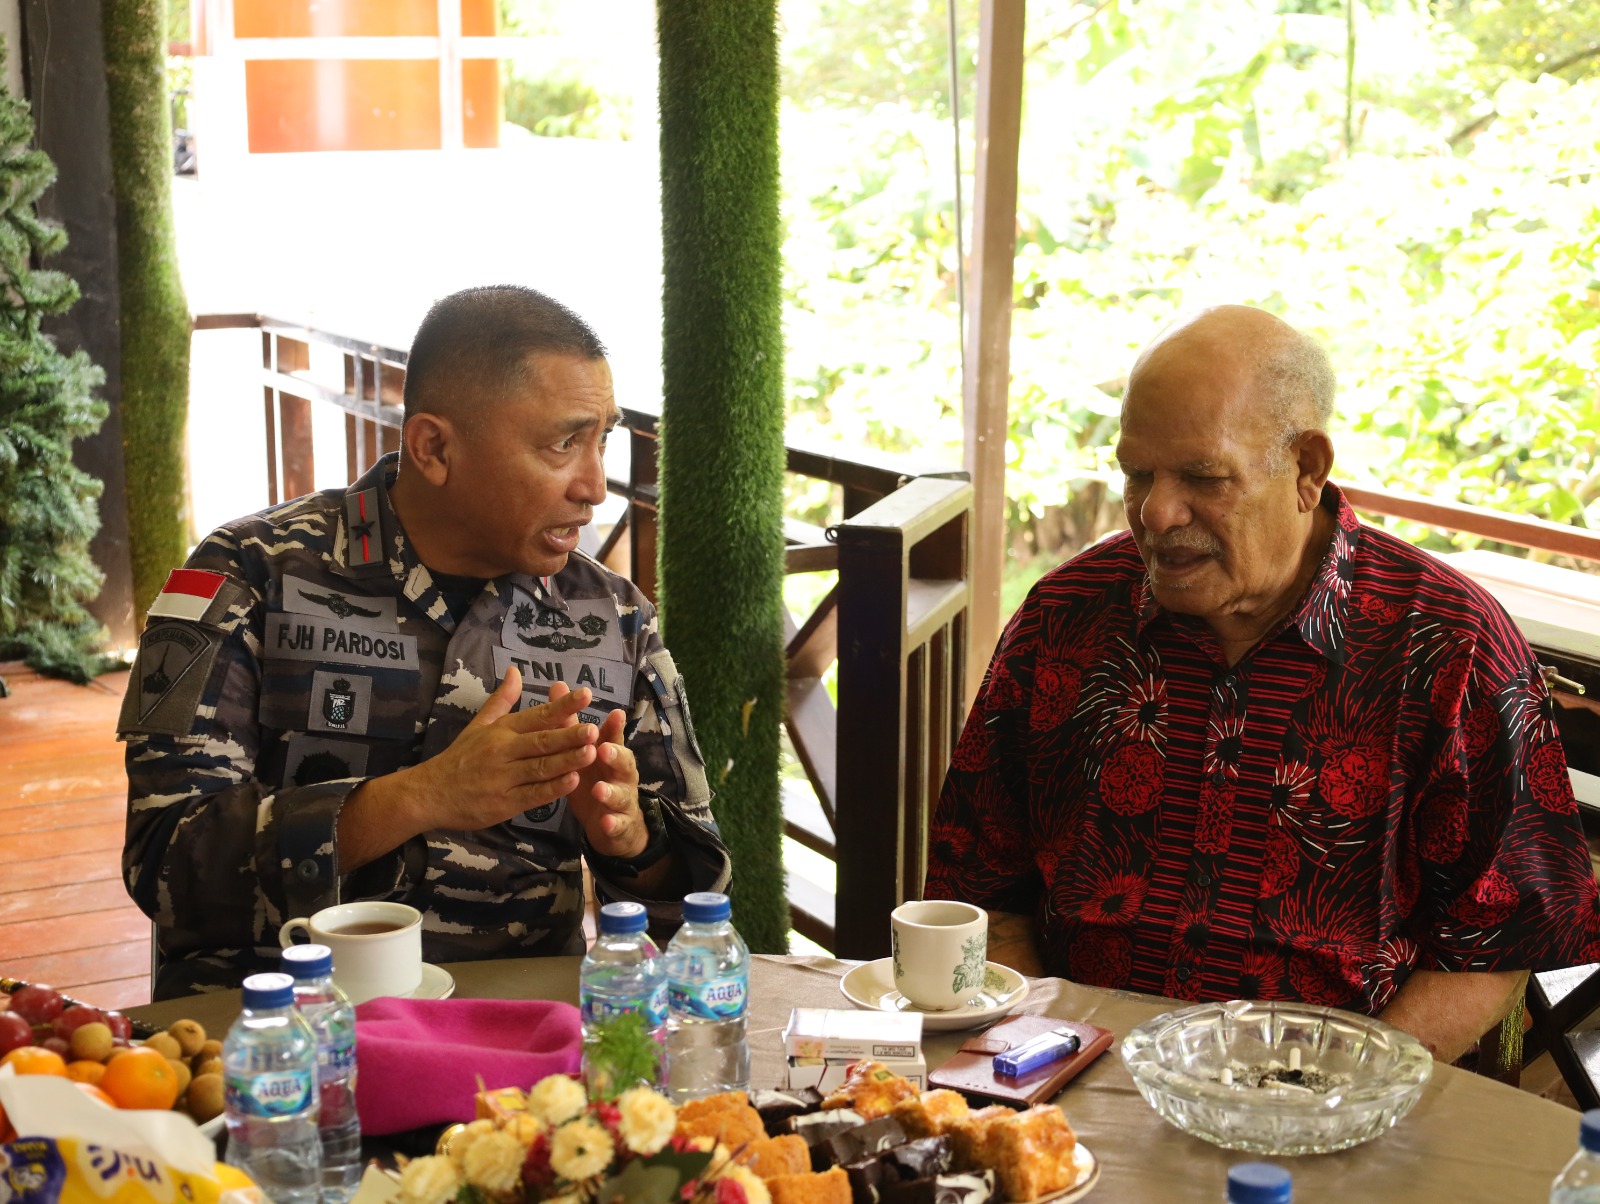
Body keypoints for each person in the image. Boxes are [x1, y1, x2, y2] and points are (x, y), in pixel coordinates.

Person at [925, 304, 1600, 1061]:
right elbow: (981, 887)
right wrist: (1043, 1049)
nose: (1156, 512)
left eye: (1203, 477)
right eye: (1137, 473)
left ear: (1307, 469)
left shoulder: (1448, 644)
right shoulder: (1067, 615)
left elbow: (1500, 939)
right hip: (1073, 1064)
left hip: (1345, 1087)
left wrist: (1341, 1092)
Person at [121, 285, 730, 999]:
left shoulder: (615, 617)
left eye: (603, 440)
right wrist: (418, 797)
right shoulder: (247, 573)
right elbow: (165, 863)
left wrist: (631, 843)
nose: (595, 486)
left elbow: (696, 913)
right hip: (289, 1025)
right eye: (564, 444)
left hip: (520, 1031)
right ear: (434, 448)